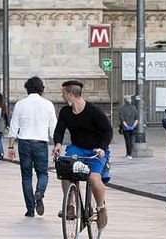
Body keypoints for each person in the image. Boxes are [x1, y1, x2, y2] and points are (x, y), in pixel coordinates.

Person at [52, 80, 113, 230]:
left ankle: (101, 207)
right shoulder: (65, 112)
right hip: (77, 149)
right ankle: (70, 205)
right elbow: (59, 130)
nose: (62, 96)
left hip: (96, 149)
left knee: (93, 177)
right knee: (65, 169)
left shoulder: (93, 111)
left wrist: (102, 148)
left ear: (71, 95)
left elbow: (108, 131)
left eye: (63, 94)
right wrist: (58, 144)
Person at [7, 77, 57, 217]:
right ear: (41, 89)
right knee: (43, 173)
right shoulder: (48, 104)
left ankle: (30, 209)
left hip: (24, 143)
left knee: (26, 177)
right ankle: (40, 192)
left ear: (27, 88)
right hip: (40, 143)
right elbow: (53, 127)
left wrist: (11, 147)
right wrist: (56, 144)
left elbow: (14, 127)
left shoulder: (20, 104)